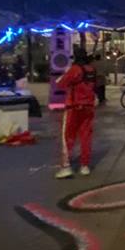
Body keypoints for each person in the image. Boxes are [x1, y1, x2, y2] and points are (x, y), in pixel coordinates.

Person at [55, 47, 98, 179]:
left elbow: (61, 84)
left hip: (74, 107)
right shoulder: (91, 70)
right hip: (89, 107)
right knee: (86, 136)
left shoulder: (75, 70)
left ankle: (66, 167)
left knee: (68, 136)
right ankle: (84, 165)